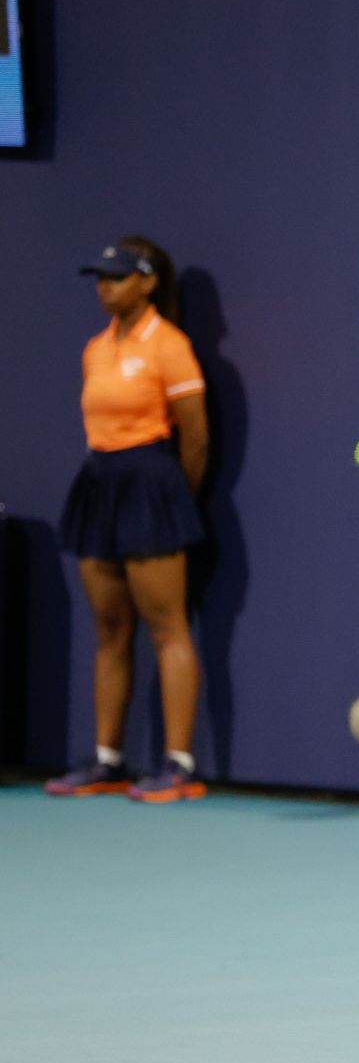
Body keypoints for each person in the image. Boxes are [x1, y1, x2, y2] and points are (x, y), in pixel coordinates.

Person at [44, 237, 210, 803]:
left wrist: (171, 500)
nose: (104, 287)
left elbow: (196, 436)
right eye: (100, 277)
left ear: (147, 281)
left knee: (168, 627)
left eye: (116, 277)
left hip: (152, 486)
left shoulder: (170, 345)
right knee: (110, 630)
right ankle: (107, 759)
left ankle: (180, 765)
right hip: (100, 484)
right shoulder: (95, 348)